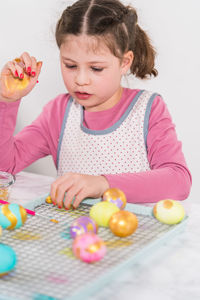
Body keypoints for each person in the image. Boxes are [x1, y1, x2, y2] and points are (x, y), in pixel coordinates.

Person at [0, 0, 192, 210]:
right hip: (76, 237)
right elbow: (5, 168)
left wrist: (103, 184)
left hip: (135, 237)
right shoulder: (58, 112)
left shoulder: (148, 109)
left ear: (125, 62)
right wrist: (7, 101)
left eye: (96, 68)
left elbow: (179, 180)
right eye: (70, 65)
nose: (81, 79)